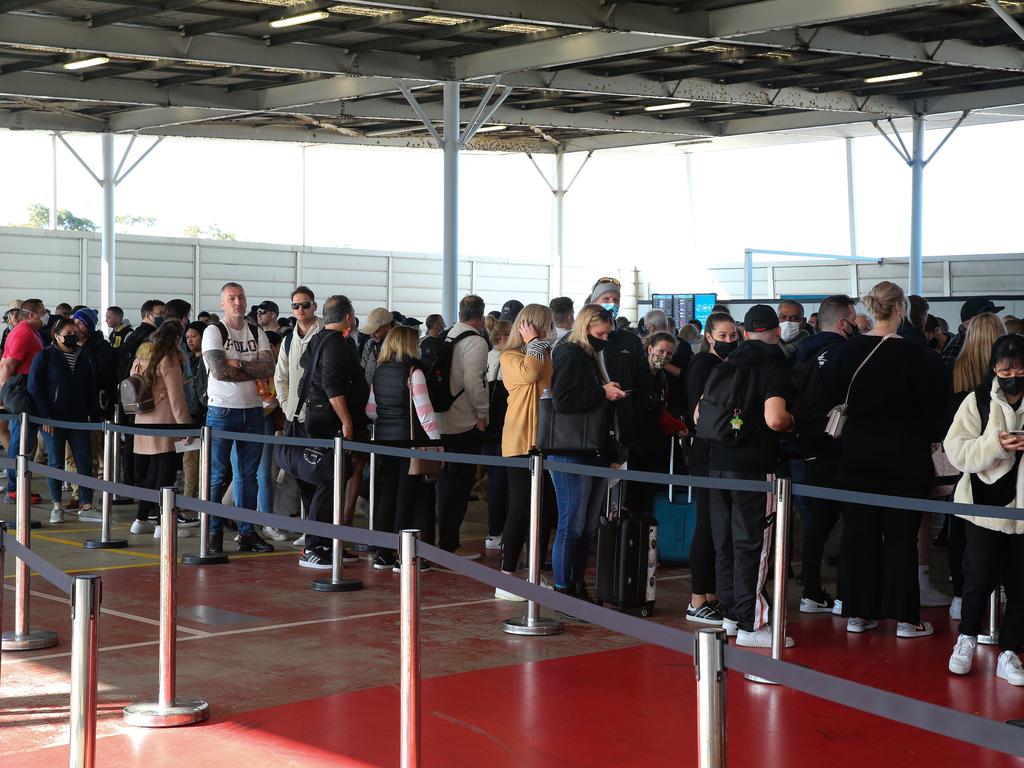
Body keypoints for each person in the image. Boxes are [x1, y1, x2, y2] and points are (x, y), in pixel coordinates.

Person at [833, 281, 938, 638]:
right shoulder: (911, 354)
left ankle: (857, 613)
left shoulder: (848, 351)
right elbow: (930, 409)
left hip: (856, 452)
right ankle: (906, 617)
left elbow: (830, 396)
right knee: (900, 535)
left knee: (858, 533)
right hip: (903, 455)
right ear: (900, 309)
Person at [699, 305, 795, 648]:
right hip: (755, 465)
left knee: (725, 542)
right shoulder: (773, 365)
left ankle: (731, 616)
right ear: (776, 330)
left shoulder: (728, 364)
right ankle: (754, 625)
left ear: (744, 332)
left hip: (717, 463)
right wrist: (793, 423)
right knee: (753, 544)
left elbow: (700, 412)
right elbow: (775, 418)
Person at [945, 332, 1024, 686]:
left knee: (1022, 584)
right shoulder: (977, 401)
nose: (1011, 377)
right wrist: (996, 444)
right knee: (977, 577)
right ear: (993, 368)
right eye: (1003, 371)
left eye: (1019, 370)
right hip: (983, 506)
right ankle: (966, 639)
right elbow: (957, 451)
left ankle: (1010, 652)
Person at [549, 305, 626, 606]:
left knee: (587, 525)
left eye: (607, 334)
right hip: (572, 450)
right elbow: (563, 400)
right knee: (573, 523)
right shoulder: (570, 354)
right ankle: (563, 587)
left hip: (591, 449)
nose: (605, 339)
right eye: (600, 334)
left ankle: (575, 583)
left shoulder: (591, 356)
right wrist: (602, 393)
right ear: (586, 328)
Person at [792, 294, 858, 614]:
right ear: (843, 322)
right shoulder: (847, 354)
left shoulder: (799, 352)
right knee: (851, 521)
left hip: (806, 446)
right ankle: (846, 596)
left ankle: (812, 590)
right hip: (840, 447)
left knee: (815, 522)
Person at [201, 282, 276, 554]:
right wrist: (251, 368)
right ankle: (213, 531)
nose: (238, 302)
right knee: (218, 475)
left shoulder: (257, 331)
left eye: (241, 297)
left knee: (249, 476)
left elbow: (268, 367)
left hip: (253, 410)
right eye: (231, 298)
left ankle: (247, 533)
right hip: (221, 411)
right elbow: (220, 371)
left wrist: (238, 364)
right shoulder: (213, 331)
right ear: (222, 303)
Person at [294, 295, 367, 568]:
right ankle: (314, 546)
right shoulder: (336, 343)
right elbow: (331, 383)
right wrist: (346, 420)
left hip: (319, 418)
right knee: (330, 481)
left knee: (334, 481)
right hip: (329, 423)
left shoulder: (319, 339)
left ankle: (331, 541)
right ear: (348, 317)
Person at [944, 313, 1007, 620]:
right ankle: (999, 594)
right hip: (1001, 461)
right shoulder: (1006, 374)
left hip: (965, 461)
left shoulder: (955, 365)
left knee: (964, 530)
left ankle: (960, 594)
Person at [366, 325, 441, 570]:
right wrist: (436, 443)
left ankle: (383, 553)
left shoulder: (379, 371)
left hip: (385, 443)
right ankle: (403, 555)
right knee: (407, 497)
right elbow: (425, 413)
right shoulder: (413, 372)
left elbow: (371, 411)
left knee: (388, 495)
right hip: (410, 442)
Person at [495, 304, 555, 600]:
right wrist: (533, 344)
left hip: (543, 441)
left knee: (545, 510)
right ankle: (505, 576)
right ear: (528, 327)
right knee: (520, 507)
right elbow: (530, 376)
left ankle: (533, 571)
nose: (547, 331)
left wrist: (539, 348)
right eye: (542, 326)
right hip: (519, 440)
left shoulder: (544, 354)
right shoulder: (510, 356)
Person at [683, 312, 738, 624]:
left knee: (714, 526)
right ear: (709, 336)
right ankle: (696, 600)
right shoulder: (705, 364)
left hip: (713, 453)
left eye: (733, 336)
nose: (729, 341)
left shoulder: (717, 364)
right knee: (706, 525)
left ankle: (710, 595)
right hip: (706, 453)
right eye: (723, 336)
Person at [586, 277, 654, 511]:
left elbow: (643, 380)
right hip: (591, 425)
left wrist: (637, 412)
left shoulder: (629, 340)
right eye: (606, 298)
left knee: (618, 492)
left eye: (615, 299)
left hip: (623, 423)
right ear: (594, 302)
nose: (611, 303)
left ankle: (614, 536)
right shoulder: (579, 341)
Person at [27, 317, 98, 524]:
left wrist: (94, 419)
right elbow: (34, 388)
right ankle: (57, 505)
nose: (73, 337)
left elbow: (90, 389)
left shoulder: (83, 356)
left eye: (74, 333)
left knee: (84, 462)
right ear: (56, 336)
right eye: (68, 334)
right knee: (55, 463)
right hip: (53, 420)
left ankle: (86, 504)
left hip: (79, 420)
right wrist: (45, 416)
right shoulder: (45, 357)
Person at [435, 294, 490, 558]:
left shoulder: (447, 335)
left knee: (446, 483)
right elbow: (473, 381)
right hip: (463, 422)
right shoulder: (476, 342)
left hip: (441, 418)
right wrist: (483, 412)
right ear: (480, 317)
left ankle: (444, 539)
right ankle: (449, 544)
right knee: (459, 485)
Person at [128, 321, 193, 537]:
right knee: (165, 476)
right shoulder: (169, 359)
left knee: (150, 475)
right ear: (177, 339)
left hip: (142, 421)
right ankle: (162, 525)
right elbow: (176, 397)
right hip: (165, 421)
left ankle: (140, 519)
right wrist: (185, 425)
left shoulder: (140, 357)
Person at [274, 287, 325, 546]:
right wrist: (286, 405)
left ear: (315, 307)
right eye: (295, 306)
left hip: (319, 420)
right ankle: (309, 529)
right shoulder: (288, 340)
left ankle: (320, 532)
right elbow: (279, 377)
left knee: (320, 478)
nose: (300, 310)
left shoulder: (326, 336)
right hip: (294, 419)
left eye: (305, 305)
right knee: (301, 477)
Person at [1, 299, 46, 504]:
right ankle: (13, 488)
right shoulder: (24, 333)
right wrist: (3, 389)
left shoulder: (29, 332)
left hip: (27, 386)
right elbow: (8, 364)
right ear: (31, 315)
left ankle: (20, 485)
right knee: (21, 438)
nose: (45, 315)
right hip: (21, 387)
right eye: (42, 312)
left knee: (25, 438)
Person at [484, 319, 512, 550]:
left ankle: (494, 531)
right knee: (501, 481)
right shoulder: (506, 360)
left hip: (489, 426)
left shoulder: (488, 356)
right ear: (504, 338)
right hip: (503, 426)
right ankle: (497, 531)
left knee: (495, 478)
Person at [182, 321, 209, 500]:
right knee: (189, 462)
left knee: (206, 463)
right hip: (191, 416)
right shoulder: (187, 360)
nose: (190, 341)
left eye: (194, 336)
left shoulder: (209, 359)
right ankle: (188, 498)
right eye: (187, 337)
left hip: (207, 416)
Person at [941, 297, 1005, 369]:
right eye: (988, 316)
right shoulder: (958, 344)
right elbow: (947, 376)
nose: (994, 320)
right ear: (973, 320)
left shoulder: (984, 341)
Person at [359, 307, 394, 387]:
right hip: (369, 394)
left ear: (388, 327)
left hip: (387, 396)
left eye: (375, 331)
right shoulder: (370, 344)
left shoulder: (399, 346)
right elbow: (363, 368)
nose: (372, 335)